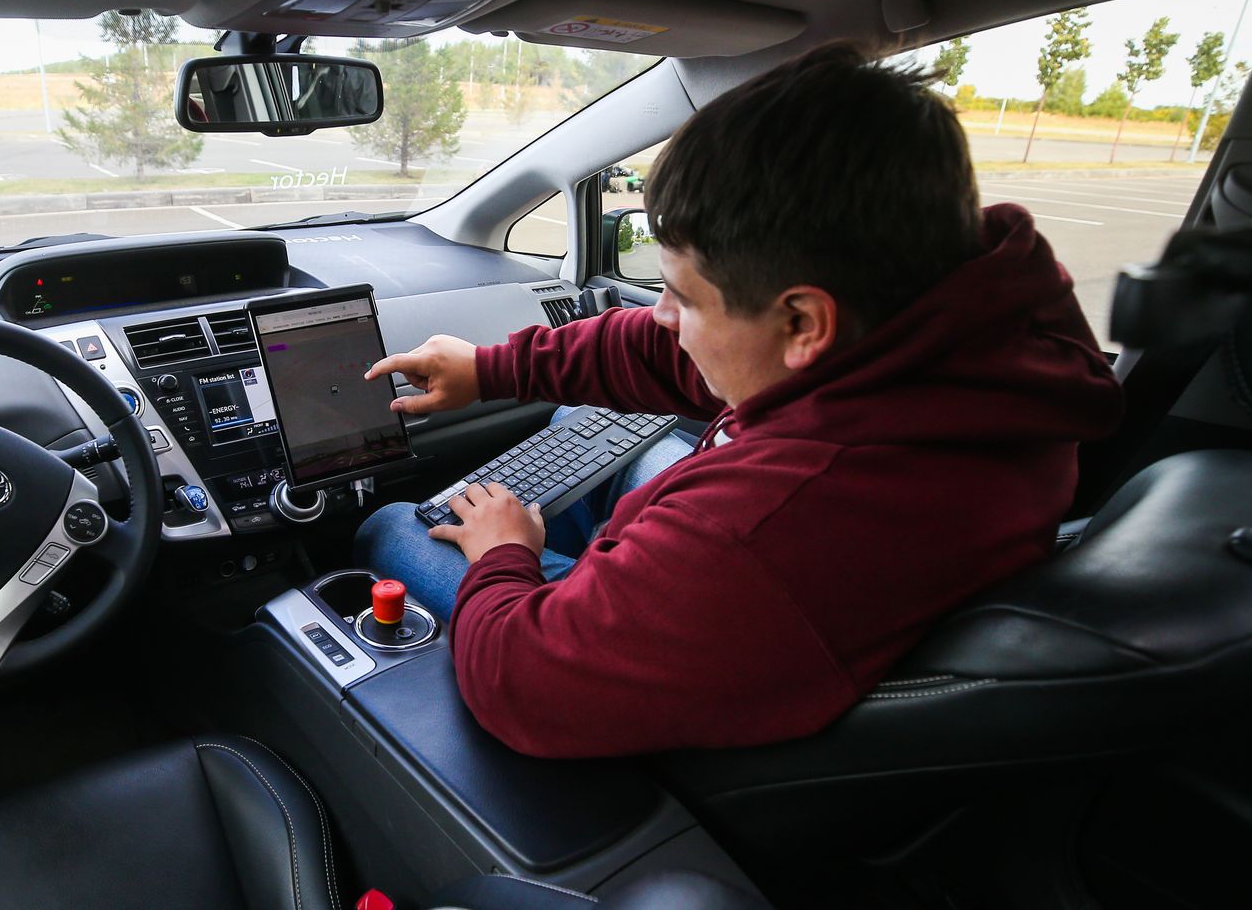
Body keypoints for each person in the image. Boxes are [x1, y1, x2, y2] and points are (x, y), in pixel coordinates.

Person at [355, 42, 1124, 759]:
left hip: (623, 652)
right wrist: (495, 369)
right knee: (571, 422)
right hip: (770, 608)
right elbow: (667, 352)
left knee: (396, 526)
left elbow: (517, 681)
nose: (660, 314)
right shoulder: (959, 328)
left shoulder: (766, 529)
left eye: (683, 296)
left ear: (801, 323)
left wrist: (505, 556)